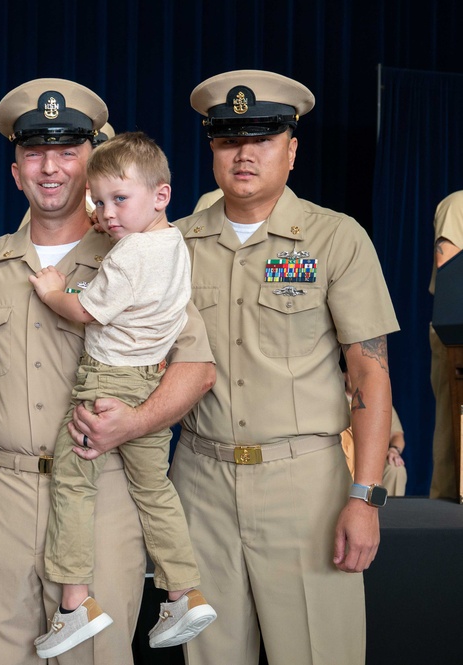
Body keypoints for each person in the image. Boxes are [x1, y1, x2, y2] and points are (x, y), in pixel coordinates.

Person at [0, 77, 215, 665]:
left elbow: (198, 367)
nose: (50, 167)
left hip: (100, 490)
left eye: (67, 152)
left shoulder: (136, 258)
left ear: (93, 163)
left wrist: (133, 423)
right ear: (16, 171)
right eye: (34, 153)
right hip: (0, 496)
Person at [164, 70, 399, 665]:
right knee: (211, 655)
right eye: (228, 138)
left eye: (263, 137)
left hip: (305, 488)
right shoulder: (171, 245)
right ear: (212, 147)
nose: (244, 153)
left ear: (291, 150)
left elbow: (369, 373)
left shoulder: (336, 239)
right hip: (201, 482)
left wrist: (365, 497)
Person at [27, 131, 216, 659]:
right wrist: (115, 221)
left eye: (119, 200)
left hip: (106, 380)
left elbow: (86, 311)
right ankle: (183, 591)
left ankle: (74, 605)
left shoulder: (130, 255)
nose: (107, 214)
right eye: (99, 201)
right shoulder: (174, 241)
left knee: (72, 481)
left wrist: (52, 291)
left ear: (161, 196)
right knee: (154, 490)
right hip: (149, 383)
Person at [429, 190, 463, 499]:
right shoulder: (459, 204)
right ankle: (448, 508)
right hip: (457, 333)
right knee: (453, 429)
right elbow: (450, 268)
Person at [340, 368, 408, 496]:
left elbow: (396, 434)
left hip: (371, 463)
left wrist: (394, 450)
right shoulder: (335, 401)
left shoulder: (378, 402)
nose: (356, 377)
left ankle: (391, 513)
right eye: (352, 373)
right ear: (344, 375)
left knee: (396, 469)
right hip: (342, 462)